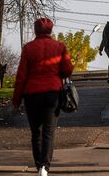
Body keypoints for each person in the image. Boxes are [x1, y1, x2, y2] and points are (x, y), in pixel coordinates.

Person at [13, 18, 74, 176]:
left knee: (36, 132)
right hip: (52, 94)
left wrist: (16, 99)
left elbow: (21, 76)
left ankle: (38, 164)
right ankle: (45, 167)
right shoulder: (60, 46)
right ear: (50, 30)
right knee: (48, 131)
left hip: (31, 95)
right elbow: (67, 70)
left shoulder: (28, 48)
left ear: (35, 30)